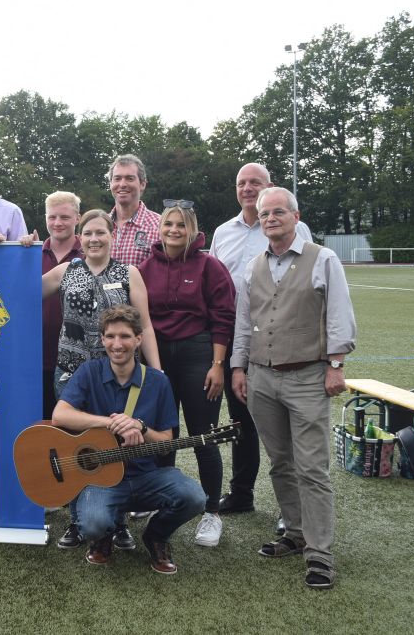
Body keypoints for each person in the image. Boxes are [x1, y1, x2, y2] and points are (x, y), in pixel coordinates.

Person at [231, 186, 355, 590]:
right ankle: (295, 531)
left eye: (278, 212)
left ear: (295, 216)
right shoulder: (254, 266)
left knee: (312, 468)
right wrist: (239, 366)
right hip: (262, 376)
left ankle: (319, 554)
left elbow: (339, 314)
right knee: (281, 462)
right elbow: (244, 322)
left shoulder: (324, 258)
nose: (270, 218)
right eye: (265, 213)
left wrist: (336, 365)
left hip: (307, 376)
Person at [39, 208, 161, 551]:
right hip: (71, 374)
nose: (94, 239)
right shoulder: (65, 271)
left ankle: (117, 522)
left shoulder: (129, 273)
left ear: (112, 236)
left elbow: (145, 325)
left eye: (101, 233)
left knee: (116, 446)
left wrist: (156, 369)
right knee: (74, 447)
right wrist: (20, 249)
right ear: (81, 236)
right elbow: (21, 291)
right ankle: (78, 522)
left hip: (118, 376)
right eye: (88, 233)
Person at [53, 305, 205, 575]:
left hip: (145, 476)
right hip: (101, 479)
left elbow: (166, 438)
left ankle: (156, 536)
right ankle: (104, 536)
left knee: (194, 496)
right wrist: (112, 423)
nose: (117, 344)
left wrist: (141, 428)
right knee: (93, 524)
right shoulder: (89, 372)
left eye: (124, 336)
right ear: (102, 340)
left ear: (138, 339)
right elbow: (60, 416)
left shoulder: (158, 382)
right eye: (110, 336)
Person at [210, 163, 313, 520]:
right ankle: (242, 493)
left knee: (285, 429)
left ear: (270, 186)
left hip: (285, 343)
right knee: (242, 422)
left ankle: (293, 508)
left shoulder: (295, 228)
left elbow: (310, 283)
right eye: (242, 182)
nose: (248, 188)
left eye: (256, 182)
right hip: (238, 340)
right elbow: (217, 287)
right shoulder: (223, 232)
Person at [137, 199, 236, 548]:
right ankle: (163, 503)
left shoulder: (210, 266)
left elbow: (224, 317)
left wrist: (218, 365)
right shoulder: (146, 268)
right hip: (158, 358)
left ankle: (211, 511)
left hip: (198, 355)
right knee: (164, 436)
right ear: (159, 228)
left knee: (202, 436)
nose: (174, 231)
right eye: (168, 225)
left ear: (193, 230)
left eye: (181, 225)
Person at [39, 191, 83, 418]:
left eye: (64, 217)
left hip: (79, 363)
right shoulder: (29, 254)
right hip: (37, 359)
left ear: (78, 218)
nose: (57, 223)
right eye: (52, 217)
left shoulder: (90, 254)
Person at [107, 154, 162, 266]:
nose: (122, 184)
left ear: (142, 184)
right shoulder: (99, 225)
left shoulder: (160, 226)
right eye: (117, 178)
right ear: (110, 184)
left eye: (129, 178)